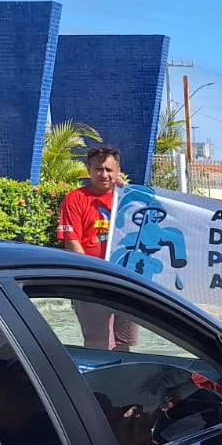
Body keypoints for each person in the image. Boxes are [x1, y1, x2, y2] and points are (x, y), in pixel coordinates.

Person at [57, 145, 139, 351]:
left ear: (118, 171)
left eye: (109, 170)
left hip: (126, 280)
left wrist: (127, 192)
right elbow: (72, 241)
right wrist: (93, 276)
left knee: (124, 342)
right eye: (98, 169)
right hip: (92, 280)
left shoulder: (129, 200)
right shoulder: (75, 198)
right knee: (97, 341)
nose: (104, 175)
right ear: (89, 170)